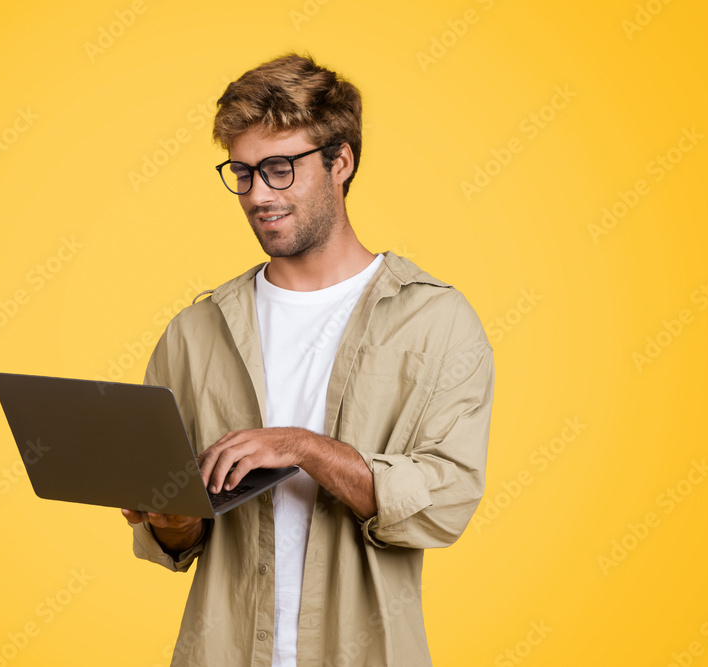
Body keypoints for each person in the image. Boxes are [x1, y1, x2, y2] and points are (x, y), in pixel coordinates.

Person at [120, 53, 494, 667]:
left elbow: (446, 501)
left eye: (280, 169)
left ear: (339, 161)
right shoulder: (195, 332)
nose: (257, 196)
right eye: (242, 173)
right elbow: (178, 540)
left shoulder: (434, 321)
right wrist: (172, 519)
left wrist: (304, 447)